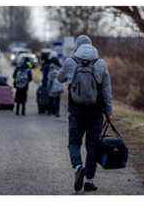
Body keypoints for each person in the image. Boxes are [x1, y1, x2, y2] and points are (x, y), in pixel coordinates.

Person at [58, 35, 113, 192]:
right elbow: (106, 91)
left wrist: (63, 74)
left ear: (77, 47)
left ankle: (77, 167)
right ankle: (89, 180)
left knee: (74, 142)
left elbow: (60, 78)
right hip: (95, 112)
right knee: (92, 146)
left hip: (76, 111)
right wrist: (109, 112)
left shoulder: (70, 62)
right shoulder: (100, 64)